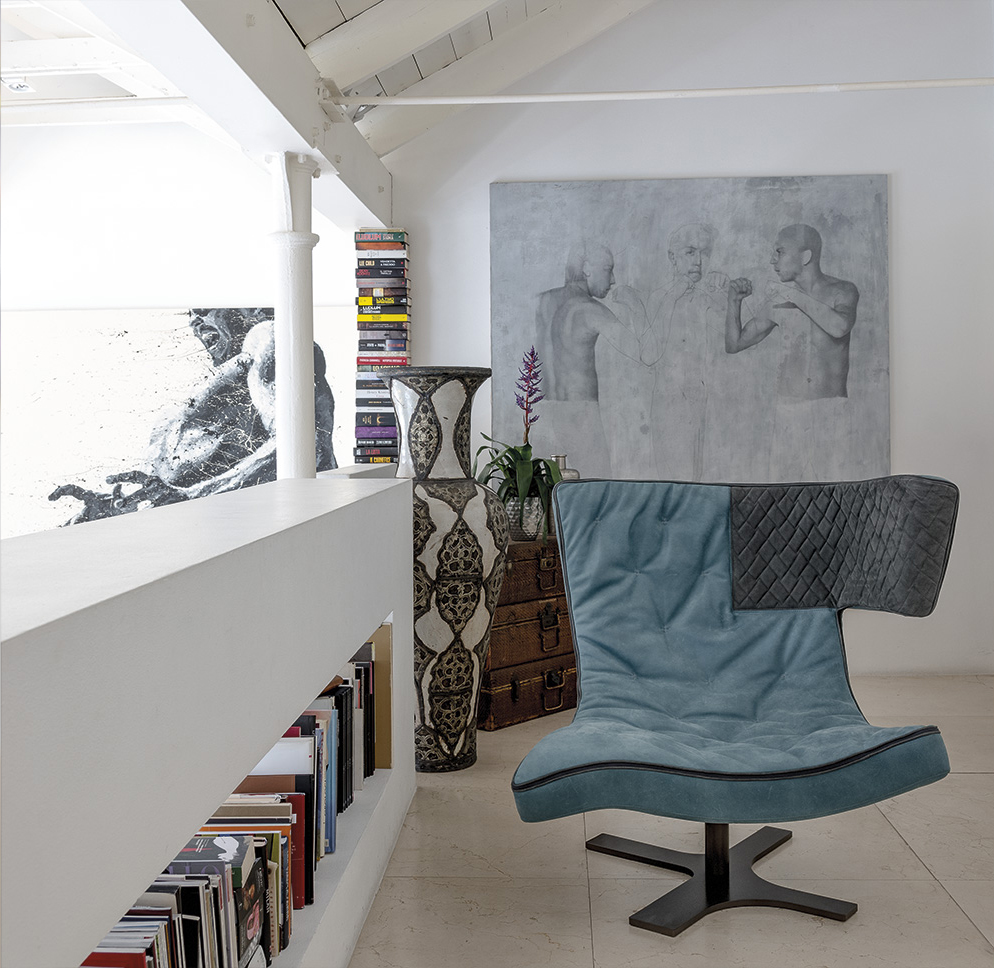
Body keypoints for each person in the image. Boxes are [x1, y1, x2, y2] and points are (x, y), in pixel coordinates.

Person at [49, 308, 337, 524]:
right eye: (191, 312)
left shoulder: (265, 338)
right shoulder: (181, 411)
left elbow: (303, 446)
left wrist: (190, 497)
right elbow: (162, 495)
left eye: (206, 306)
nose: (195, 319)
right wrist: (116, 507)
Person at [725, 224, 860, 478]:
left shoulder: (842, 291)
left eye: (780, 252)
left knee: (833, 492)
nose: (772, 260)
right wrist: (734, 302)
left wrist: (794, 296)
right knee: (783, 491)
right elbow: (734, 345)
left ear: (805, 257)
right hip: (788, 411)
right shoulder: (777, 301)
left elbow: (839, 327)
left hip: (830, 410)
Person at [639, 223, 729, 480]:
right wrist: (672, 298)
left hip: (703, 401)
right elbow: (648, 355)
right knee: (673, 479)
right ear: (673, 257)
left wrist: (726, 295)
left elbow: (738, 345)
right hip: (668, 402)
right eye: (690, 252)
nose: (698, 261)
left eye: (704, 253)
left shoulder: (709, 296)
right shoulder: (659, 298)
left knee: (699, 478)